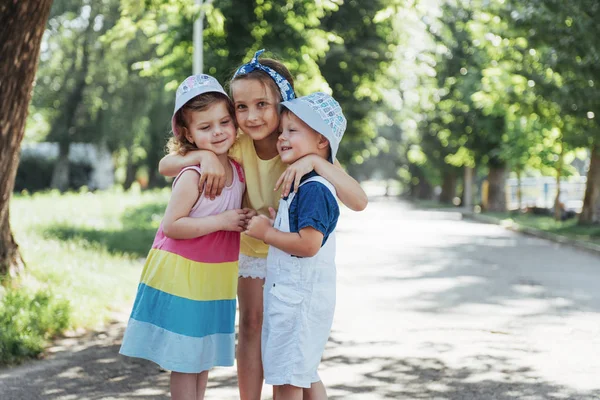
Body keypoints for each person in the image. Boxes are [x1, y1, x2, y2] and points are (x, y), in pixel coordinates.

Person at [158, 50, 367, 400]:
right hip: (253, 247)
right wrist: (203, 155)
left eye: (261, 105)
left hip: (291, 254)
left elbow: (358, 200)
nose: (251, 116)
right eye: (241, 107)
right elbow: (167, 164)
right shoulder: (237, 143)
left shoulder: (301, 144)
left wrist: (317, 160)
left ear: (283, 104)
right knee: (252, 325)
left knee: (288, 340)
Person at [119, 74, 249, 400]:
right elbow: (172, 225)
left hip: (214, 275)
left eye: (224, 122)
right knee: (185, 362)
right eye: (205, 128)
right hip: (184, 274)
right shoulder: (192, 174)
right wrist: (222, 220)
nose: (218, 131)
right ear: (189, 134)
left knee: (201, 357)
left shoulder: (238, 169)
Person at [245, 92, 347, 400]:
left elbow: (308, 244)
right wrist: (278, 223)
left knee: (288, 382)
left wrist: (266, 233)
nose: (282, 138)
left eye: (293, 131)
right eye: (282, 131)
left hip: (298, 303)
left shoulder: (314, 188)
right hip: (292, 299)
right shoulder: (304, 184)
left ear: (321, 142)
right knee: (302, 375)